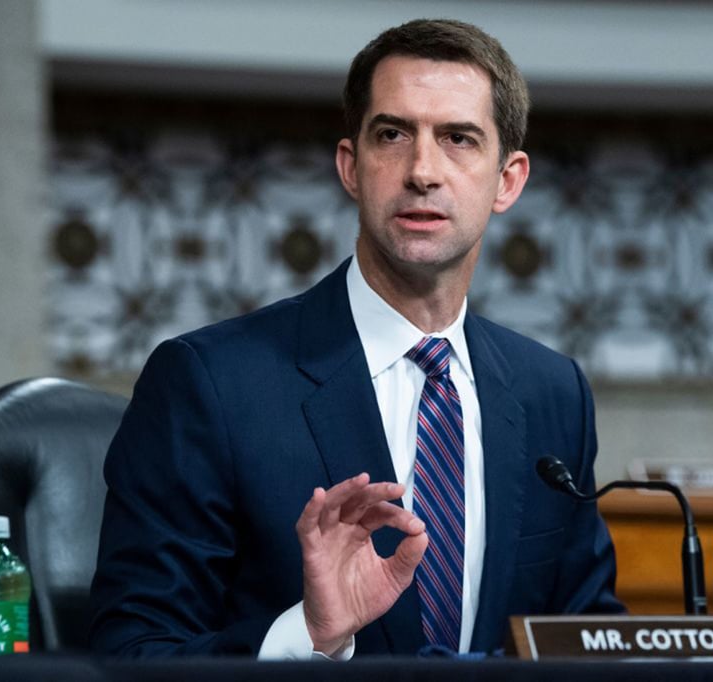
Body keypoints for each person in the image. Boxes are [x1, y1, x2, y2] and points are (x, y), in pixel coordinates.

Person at [89, 18, 623, 659]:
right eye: (393, 134)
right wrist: (309, 636)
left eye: (458, 138)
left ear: (508, 180)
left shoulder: (553, 394)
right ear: (351, 167)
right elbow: (131, 651)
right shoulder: (208, 384)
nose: (422, 171)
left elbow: (589, 638)